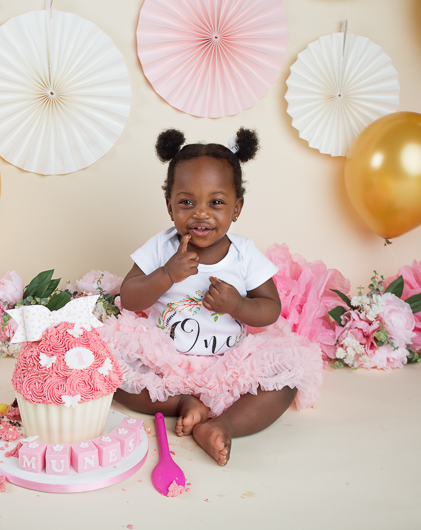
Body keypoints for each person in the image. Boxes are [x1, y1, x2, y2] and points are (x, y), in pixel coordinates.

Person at [98, 128, 322, 466]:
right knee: (109, 371)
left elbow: (270, 309)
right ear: (169, 206)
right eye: (186, 202)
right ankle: (182, 403)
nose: (200, 213)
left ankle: (223, 425)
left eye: (216, 202)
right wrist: (167, 274)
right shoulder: (162, 247)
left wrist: (238, 305)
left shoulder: (244, 254)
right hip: (165, 364)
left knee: (286, 380)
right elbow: (129, 298)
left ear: (237, 207)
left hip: (230, 364)